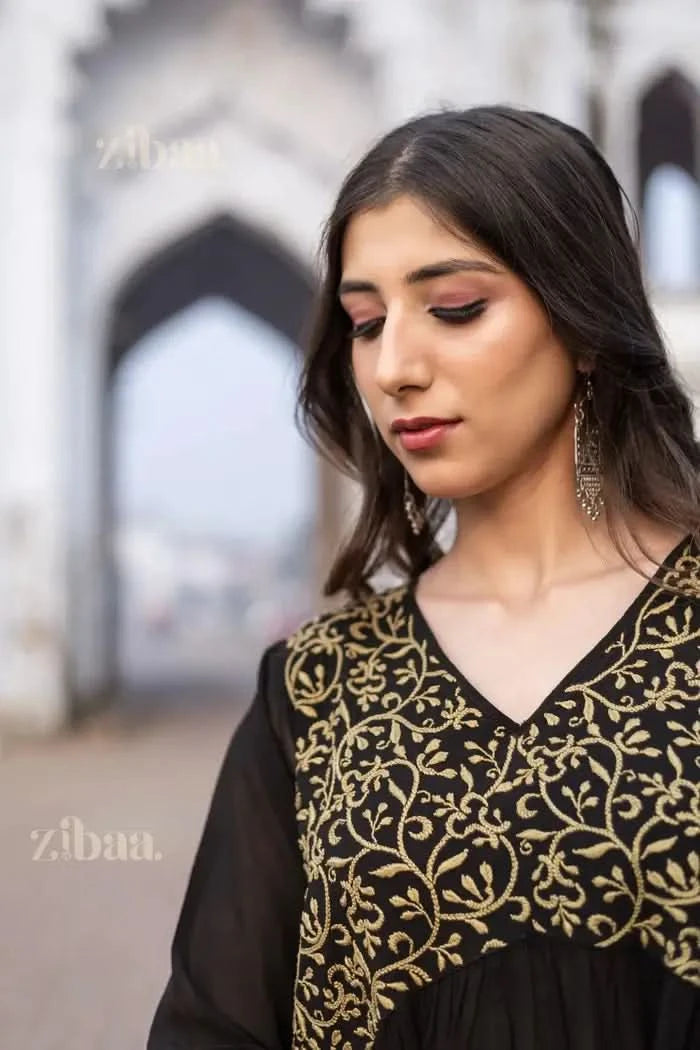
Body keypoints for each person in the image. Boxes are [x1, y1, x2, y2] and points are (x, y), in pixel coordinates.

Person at [146, 105, 699, 1050]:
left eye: (454, 308)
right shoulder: (319, 692)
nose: (395, 367)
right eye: (365, 323)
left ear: (587, 323)